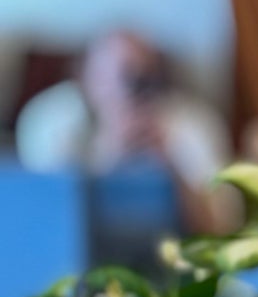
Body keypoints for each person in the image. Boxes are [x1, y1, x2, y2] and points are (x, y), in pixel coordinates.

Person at [16, 30, 233, 231]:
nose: (131, 89)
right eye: (120, 74)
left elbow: (220, 226)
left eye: (143, 76)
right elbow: (45, 222)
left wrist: (169, 167)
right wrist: (109, 159)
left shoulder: (189, 125)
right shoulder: (55, 123)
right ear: (85, 78)